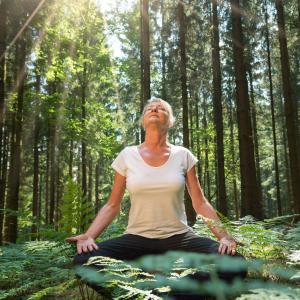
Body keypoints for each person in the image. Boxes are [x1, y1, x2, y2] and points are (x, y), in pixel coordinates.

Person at [66, 98, 247, 298]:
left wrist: (224, 237)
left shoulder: (183, 155)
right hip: (136, 238)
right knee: (84, 260)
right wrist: (90, 235)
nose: (154, 108)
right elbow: (112, 204)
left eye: (161, 108)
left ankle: (167, 295)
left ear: (170, 121)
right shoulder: (128, 155)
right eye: (150, 108)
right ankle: (137, 296)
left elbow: (200, 202)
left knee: (235, 263)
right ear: (143, 120)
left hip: (179, 238)